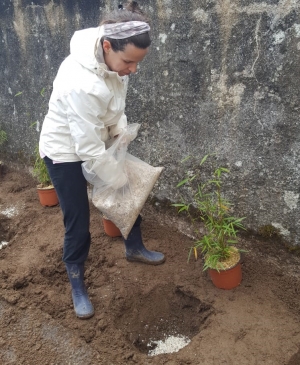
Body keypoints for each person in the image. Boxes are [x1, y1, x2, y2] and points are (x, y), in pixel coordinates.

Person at [39, 1, 165, 320]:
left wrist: (120, 134)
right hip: (64, 151)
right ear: (107, 46)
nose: (132, 70)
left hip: (97, 139)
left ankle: (134, 247)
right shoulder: (79, 83)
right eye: (128, 62)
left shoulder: (114, 59)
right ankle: (77, 284)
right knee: (78, 221)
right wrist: (116, 174)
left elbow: (115, 106)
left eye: (138, 63)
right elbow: (88, 149)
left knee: (129, 193)